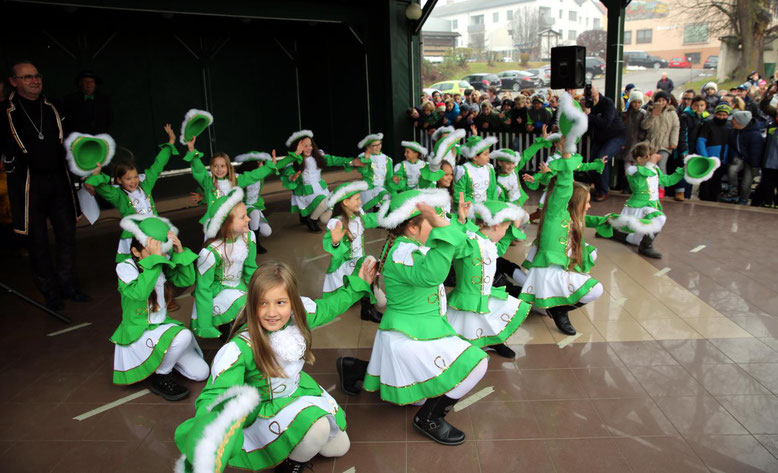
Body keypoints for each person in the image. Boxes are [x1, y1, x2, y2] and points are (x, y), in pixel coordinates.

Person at [175, 260, 377, 473]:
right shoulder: (240, 348)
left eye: (280, 302)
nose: (272, 312)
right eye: (263, 303)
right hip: (265, 409)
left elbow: (329, 307)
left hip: (298, 392)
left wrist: (359, 284)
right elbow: (215, 396)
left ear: (292, 303)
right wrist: (208, 439)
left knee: (338, 447)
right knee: (319, 428)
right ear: (253, 304)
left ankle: (296, 441)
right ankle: (290, 465)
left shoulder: (298, 318)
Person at [337, 189, 489, 446]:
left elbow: (460, 249)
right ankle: (429, 418)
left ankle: (353, 367)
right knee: (477, 363)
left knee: (419, 388)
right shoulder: (403, 251)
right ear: (411, 228)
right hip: (409, 335)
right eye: (436, 222)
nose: (442, 227)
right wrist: (448, 231)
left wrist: (459, 223)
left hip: (417, 328)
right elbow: (432, 275)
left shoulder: (410, 244)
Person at [0, 60, 87, 309]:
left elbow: (71, 141)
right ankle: (50, 292)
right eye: (26, 77)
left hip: (58, 180)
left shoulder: (53, 106)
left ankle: (69, 285)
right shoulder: (5, 111)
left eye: (36, 75)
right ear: (14, 82)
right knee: (37, 240)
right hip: (28, 184)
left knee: (67, 236)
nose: (34, 81)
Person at [519, 93, 604, 336]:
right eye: (586, 203)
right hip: (549, 270)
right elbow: (564, 183)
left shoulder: (572, 217)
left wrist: (611, 220)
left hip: (555, 269)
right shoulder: (557, 210)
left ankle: (541, 299)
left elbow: (589, 218)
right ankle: (559, 310)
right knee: (594, 289)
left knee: (591, 252)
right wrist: (565, 152)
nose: (589, 206)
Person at [112, 215, 208, 399]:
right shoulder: (125, 267)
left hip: (162, 327)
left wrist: (178, 251)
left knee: (201, 372)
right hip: (139, 332)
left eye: (162, 252)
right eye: (151, 252)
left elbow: (186, 280)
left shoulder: (160, 262)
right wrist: (156, 262)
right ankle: (161, 375)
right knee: (184, 335)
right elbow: (139, 293)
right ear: (135, 251)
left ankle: (164, 360)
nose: (159, 257)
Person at [446, 200, 531, 359]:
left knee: (488, 319)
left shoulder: (489, 242)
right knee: (468, 326)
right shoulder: (469, 241)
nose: (506, 232)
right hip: (467, 297)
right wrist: (460, 222)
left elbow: (496, 253)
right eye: (506, 229)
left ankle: (493, 340)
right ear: (496, 226)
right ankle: (471, 350)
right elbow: (454, 243)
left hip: (485, 292)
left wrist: (507, 237)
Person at [85, 124, 180, 261]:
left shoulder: (145, 185)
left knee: (163, 259)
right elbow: (104, 189)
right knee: (143, 263)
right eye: (128, 178)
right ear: (119, 180)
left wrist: (170, 142)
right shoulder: (119, 196)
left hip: (156, 230)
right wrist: (96, 174)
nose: (133, 181)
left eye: (135, 176)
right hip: (138, 237)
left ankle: (163, 280)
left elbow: (157, 166)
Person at [190, 188, 257, 339]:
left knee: (260, 300)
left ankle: (240, 328)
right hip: (218, 292)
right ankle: (229, 330)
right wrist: (205, 325)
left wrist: (260, 288)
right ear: (226, 223)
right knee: (243, 303)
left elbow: (250, 269)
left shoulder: (249, 238)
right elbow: (203, 289)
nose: (248, 219)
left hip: (238, 286)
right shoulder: (211, 253)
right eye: (242, 217)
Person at [608, 142, 689, 259]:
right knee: (660, 218)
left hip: (650, 205)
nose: (652, 158)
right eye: (649, 156)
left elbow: (667, 181)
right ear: (639, 159)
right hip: (639, 206)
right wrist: (650, 164)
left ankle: (613, 233)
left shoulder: (654, 169)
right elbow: (639, 186)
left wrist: (682, 171)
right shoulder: (633, 171)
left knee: (635, 240)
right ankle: (646, 246)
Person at [322, 181, 382, 323]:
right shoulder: (336, 223)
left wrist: (395, 213)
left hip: (357, 263)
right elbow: (332, 248)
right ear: (346, 202)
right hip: (344, 265)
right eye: (357, 199)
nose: (360, 202)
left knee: (383, 302)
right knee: (369, 261)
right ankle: (367, 310)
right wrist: (335, 242)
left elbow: (374, 219)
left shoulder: (358, 217)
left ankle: (360, 292)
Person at [279, 130, 360, 233]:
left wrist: (351, 162)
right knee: (324, 201)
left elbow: (334, 159)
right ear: (297, 147)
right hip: (305, 191)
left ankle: (308, 215)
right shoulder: (293, 162)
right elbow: (288, 173)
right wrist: (292, 177)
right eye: (305, 146)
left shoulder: (318, 157)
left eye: (310, 145)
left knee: (325, 219)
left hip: (320, 188)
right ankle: (311, 220)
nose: (309, 148)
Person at [584, 85, 626, 201]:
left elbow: (605, 123)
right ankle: (598, 187)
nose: (592, 99)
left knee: (602, 158)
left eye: (593, 96)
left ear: (597, 93)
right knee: (593, 160)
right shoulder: (588, 106)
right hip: (600, 138)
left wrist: (589, 115)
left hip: (615, 136)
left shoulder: (607, 103)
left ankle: (603, 190)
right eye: (589, 97)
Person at [234, 151, 276, 254]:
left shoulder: (260, 176)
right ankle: (255, 243)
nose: (263, 165)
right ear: (254, 164)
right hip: (242, 207)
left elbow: (276, 167)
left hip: (254, 206)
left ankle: (247, 232)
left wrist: (294, 155)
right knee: (255, 213)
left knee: (267, 232)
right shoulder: (242, 177)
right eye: (261, 162)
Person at [640, 90, 680, 196]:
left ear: (668, 101)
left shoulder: (672, 113)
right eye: (659, 100)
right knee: (649, 165)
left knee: (661, 167)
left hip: (665, 145)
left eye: (663, 100)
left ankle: (661, 189)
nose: (661, 102)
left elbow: (675, 128)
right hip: (651, 143)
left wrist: (673, 142)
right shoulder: (650, 111)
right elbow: (644, 126)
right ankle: (647, 188)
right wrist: (652, 115)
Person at [722, 111, 764, 205]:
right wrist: (734, 156)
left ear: (740, 122)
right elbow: (732, 146)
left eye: (734, 120)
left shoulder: (755, 135)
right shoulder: (734, 131)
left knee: (747, 181)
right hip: (739, 157)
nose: (731, 121)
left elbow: (756, 152)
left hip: (751, 161)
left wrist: (754, 166)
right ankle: (733, 189)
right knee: (732, 169)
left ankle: (744, 198)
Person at [673, 95, 709, 201]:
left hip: (696, 149)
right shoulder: (685, 116)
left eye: (702, 105)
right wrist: (684, 150)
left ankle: (687, 194)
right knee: (683, 170)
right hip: (686, 148)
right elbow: (683, 135)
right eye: (696, 105)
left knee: (692, 171)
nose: (699, 108)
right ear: (692, 105)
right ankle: (679, 192)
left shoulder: (705, 118)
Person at [697, 103, 731, 201]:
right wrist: (705, 157)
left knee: (717, 180)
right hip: (710, 158)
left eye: (724, 115)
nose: (721, 117)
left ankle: (715, 198)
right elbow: (701, 141)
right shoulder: (708, 124)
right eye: (719, 114)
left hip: (723, 159)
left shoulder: (729, 125)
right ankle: (704, 198)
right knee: (707, 181)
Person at [454, 135, 499, 208]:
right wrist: (476, 208)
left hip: (487, 208)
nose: (489, 156)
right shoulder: (463, 170)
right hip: (469, 209)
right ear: (475, 157)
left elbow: (493, 191)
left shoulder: (489, 168)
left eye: (488, 153)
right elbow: (459, 195)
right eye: (485, 154)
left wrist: (492, 207)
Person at [62, 70, 113, 135]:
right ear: (80, 83)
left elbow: (109, 119)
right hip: (77, 137)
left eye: (91, 82)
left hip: (99, 137)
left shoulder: (104, 99)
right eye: (86, 81)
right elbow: (66, 121)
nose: (89, 84)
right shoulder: (70, 99)